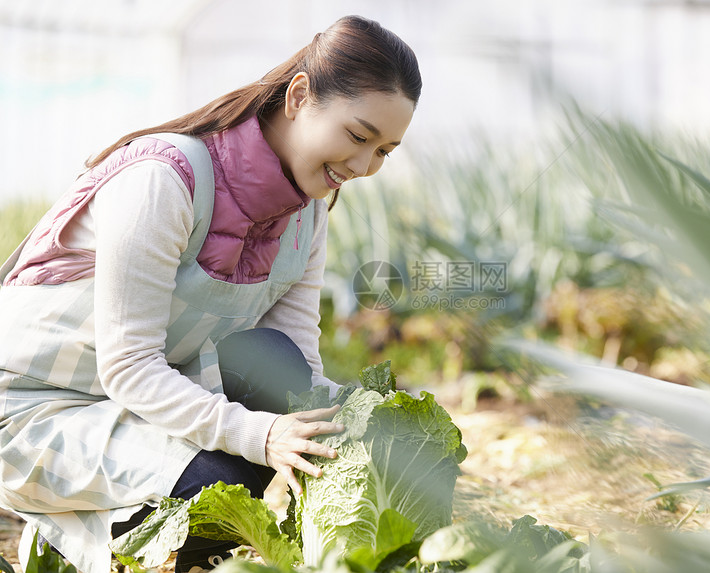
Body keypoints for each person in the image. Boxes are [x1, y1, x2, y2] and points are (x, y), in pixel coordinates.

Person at [0, 14, 420, 573]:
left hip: (125, 404)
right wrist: (260, 434)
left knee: (276, 370)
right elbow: (129, 367)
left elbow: (293, 368)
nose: (365, 166)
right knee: (226, 491)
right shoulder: (163, 180)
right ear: (299, 96)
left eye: (385, 151)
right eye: (358, 136)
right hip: (32, 410)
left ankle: (107, 524)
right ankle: (66, 535)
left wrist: (371, 421)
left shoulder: (307, 214)